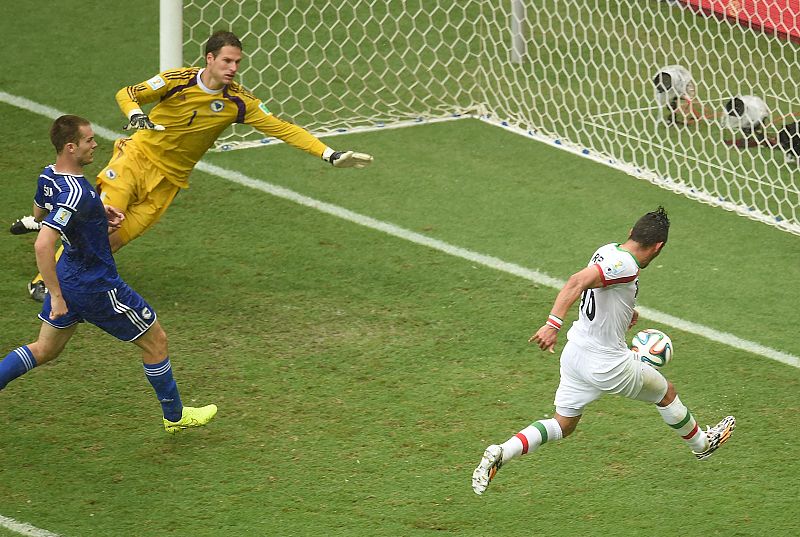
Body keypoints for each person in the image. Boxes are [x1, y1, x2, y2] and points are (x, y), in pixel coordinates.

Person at [19, 30, 373, 301]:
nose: (233, 68)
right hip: (135, 160)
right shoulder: (177, 80)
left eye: (237, 63)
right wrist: (137, 115)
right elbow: (127, 93)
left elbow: (284, 128)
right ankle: (43, 282)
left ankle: (46, 227)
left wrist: (329, 154)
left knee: (112, 241)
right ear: (209, 58)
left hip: (169, 182)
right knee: (100, 226)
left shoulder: (239, 102)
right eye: (227, 61)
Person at [471, 207, 736, 496]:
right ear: (658, 247)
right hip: (607, 364)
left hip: (575, 356)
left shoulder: (607, 250)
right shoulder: (628, 266)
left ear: (630, 234)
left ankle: (502, 451)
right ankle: (701, 445)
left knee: (563, 425)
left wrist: (625, 313)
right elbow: (577, 282)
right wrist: (551, 324)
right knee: (666, 392)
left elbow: (600, 290)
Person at [0, 115, 217, 434]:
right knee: (156, 340)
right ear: (71, 147)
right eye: (89, 140)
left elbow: (39, 213)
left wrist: (97, 215)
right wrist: (55, 296)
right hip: (94, 285)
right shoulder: (74, 193)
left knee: (45, 349)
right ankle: (175, 416)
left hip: (70, 272)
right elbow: (43, 244)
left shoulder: (50, 176)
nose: (95, 144)